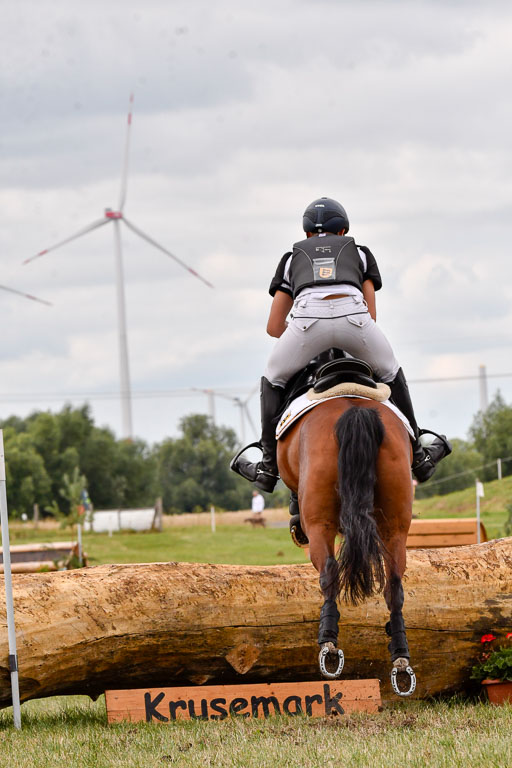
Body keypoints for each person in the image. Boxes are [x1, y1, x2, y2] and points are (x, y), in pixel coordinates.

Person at [231, 197, 451, 492]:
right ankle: (420, 457)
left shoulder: (290, 258)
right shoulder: (360, 253)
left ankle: (269, 467)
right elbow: (371, 314)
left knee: (273, 378)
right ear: (344, 231)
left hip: (306, 324)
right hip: (356, 322)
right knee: (390, 371)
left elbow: (273, 327)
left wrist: (302, 336)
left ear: (307, 234)